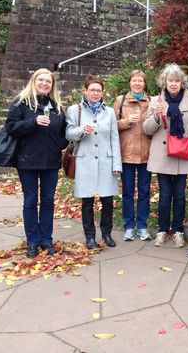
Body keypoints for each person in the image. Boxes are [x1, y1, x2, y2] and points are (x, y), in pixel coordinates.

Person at [5, 68, 68, 258]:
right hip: (27, 161)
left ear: (52, 85)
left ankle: (46, 240)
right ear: (34, 81)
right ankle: (32, 241)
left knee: (48, 201)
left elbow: (64, 134)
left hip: (50, 161)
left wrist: (58, 146)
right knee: (31, 201)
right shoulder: (21, 103)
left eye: (48, 81)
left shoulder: (57, 106)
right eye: (41, 80)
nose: (44, 83)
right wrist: (32, 122)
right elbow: (10, 127)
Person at [143, 63, 188, 248]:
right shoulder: (156, 101)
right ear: (165, 82)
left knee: (179, 195)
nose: (174, 84)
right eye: (170, 80)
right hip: (163, 156)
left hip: (183, 155)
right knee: (164, 195)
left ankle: (178, 231)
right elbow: (146, 129)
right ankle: (162, 230)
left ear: (182, 83)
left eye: (177, 80)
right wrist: (156, 117)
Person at [66, 75, 122, 250]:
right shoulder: (75, 110)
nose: (95, 93)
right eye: (92, 90)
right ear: (85, 91)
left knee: (107, 200)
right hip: (85, 161)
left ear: (102, 92)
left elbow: (115, 139)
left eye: (98, 90)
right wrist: (82, 130)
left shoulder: (110, 112)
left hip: (106, 160)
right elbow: (68, 133)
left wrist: (116, 164)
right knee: (87, 201)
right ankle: (90, 236)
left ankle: (107, 233)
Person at [113, 70, 152, 242]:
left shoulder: (152, 101)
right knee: (128, 192)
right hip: (126, 154)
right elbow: (111, 125)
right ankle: (129, 226)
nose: (137, 84)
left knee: (144, 192)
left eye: (140, 81)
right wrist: (126, 122)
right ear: (129, 83)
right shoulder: (120, 101)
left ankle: (142, 225)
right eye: (134, 81)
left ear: (144, 84)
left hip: (146, 154)